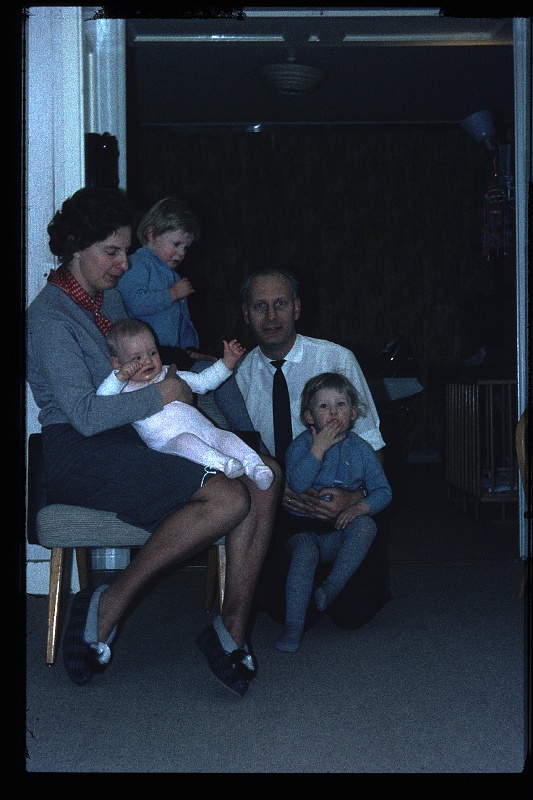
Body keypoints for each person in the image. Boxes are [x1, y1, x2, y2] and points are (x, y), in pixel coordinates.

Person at [26, 187, 281, 697]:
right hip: (79, 447)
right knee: (229, 496)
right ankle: (108, 604)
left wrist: (189, 375)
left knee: (266, 476)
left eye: (126, 251)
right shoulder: (50, 317)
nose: (124, 264)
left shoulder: (108, 299)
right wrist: (164, 393)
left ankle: (231, 631)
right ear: (76, 246)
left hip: (134, 435)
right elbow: (83, 414)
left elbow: (144, 367)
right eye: (112, 252)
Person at [214, 268, 391, 632]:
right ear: (246, 314)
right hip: (282, 510)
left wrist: (355, 497)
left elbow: (374, 446)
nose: (271, 316)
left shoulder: (337, 360)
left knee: (354, 612)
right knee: (288, 610)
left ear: (296, 308)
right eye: (259, 306)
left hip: (342, 503)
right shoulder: (236, 377)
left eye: (280, 304)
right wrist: (276, 496)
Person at [276, 372, 392, 652]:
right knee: (305, 552)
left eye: (340, 405)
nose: (333, 413)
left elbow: (383, 491)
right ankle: (293, 629)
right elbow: (298, 482)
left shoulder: (361, 449)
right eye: (323, 407)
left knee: (367, 527)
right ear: (309, 416)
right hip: (303, 530)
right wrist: (318, 448)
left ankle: (332, 587)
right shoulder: (302, 446)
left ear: (353, 414)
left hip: (339, 530)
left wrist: (359, 507)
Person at [97, 317, 274, 490]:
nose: (147, 361)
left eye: (152, 353)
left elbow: (204, 382)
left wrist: (226, 363)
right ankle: (225, 464)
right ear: (117, 363)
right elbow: (101, 403)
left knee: (226, 437)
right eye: (136, 358)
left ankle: (256, 468)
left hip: (204, 429)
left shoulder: (169, 374)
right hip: (169, 443)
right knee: (186, 442)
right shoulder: (124, 389)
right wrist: (118, 377)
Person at [117, 196, 206, 367]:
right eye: (176, 244)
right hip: (144, 354)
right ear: (152, 234)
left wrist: (186, 346)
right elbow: (135, 302)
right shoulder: (136, 264)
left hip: (170, 350)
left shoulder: (171, 274)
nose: (181, 253)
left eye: (185, 247)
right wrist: (173, 294)